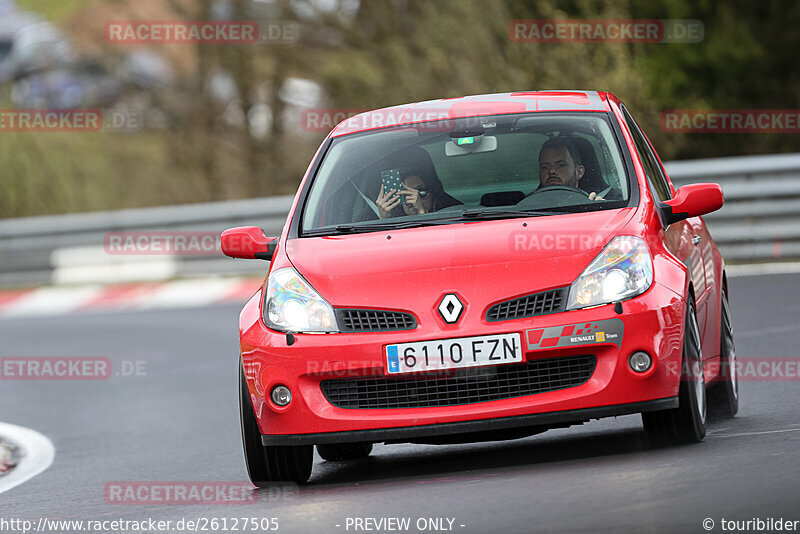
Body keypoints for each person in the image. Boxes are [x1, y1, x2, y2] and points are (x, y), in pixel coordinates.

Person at [536, 137, 607, 200]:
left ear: (579, 172)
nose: (552, 171)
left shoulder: (592, 201)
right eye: (545, 167)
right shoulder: (527, 207)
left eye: (561, 165)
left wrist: (599, 207)